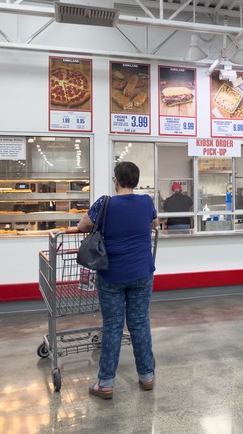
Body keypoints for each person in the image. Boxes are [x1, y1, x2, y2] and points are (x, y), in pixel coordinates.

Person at [78, 161, 159, 400]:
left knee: (113, 326)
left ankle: (105, 383)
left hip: (112, 274)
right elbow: (154, 223)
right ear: (135, 180)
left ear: (116, 179)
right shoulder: (146, 201)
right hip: (142, 273)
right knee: (140, 323)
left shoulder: (105, 203)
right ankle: (146, 377)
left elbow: (84, 225)